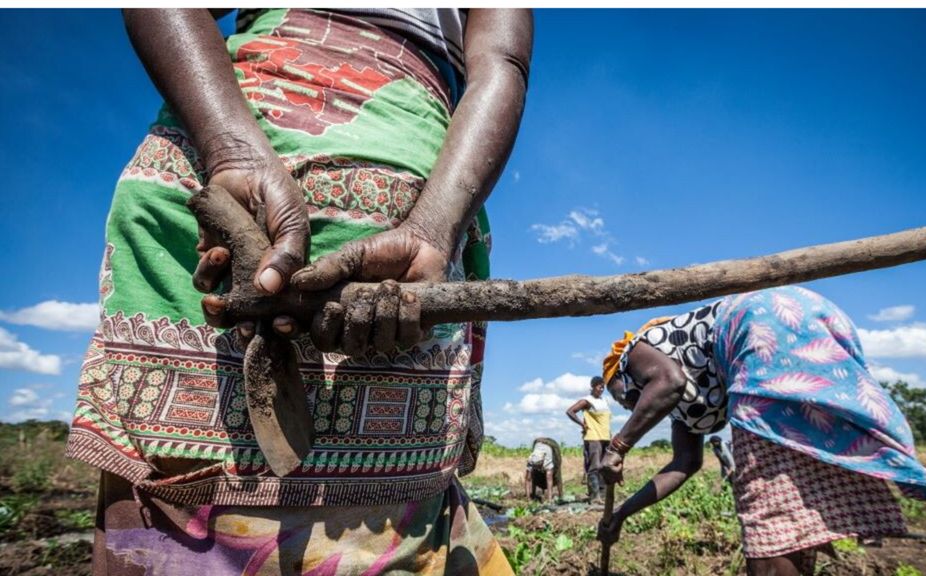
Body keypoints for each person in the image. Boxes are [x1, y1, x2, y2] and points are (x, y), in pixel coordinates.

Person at [64, 8, 531, 575]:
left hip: (225, 166)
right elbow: (501, 64)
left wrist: (231, 152)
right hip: (396, 192)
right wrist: (434, 227)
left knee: (171, 536)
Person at [595, 286, 926, 576]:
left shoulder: (633, 352)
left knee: (767, 500)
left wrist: (619, 446)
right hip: (808, 314)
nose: (627, 405)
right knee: (795, 486)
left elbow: (667, 382)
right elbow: (684, 464)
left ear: (621, 374)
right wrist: (621, 514)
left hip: (760, 323)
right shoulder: (685, 409)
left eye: (621, 395)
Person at [565, 376, 612, 503]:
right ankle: (594, 497)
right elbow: (570, 411)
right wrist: (582, 424)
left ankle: (602, 495)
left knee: (604, 467)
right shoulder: (587, 400)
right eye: (599, 386)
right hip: (593, 438)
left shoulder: (604, 401)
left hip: (605, 437)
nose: (601, 389)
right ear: (592, 386)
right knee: (595, 466)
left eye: (603, 386)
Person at [524, 437, 563, 502]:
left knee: (555, 475)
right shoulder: (531, 460)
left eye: (539, 466)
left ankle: (560, 496)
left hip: (547, 449)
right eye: (536, 467)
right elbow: (527, 480)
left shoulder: (547, 460)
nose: (538, 469)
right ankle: (532, 495)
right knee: (533, 476)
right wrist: (528, 498)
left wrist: (549, 500)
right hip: (538, 450)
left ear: (542, 462)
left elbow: (549, 480)